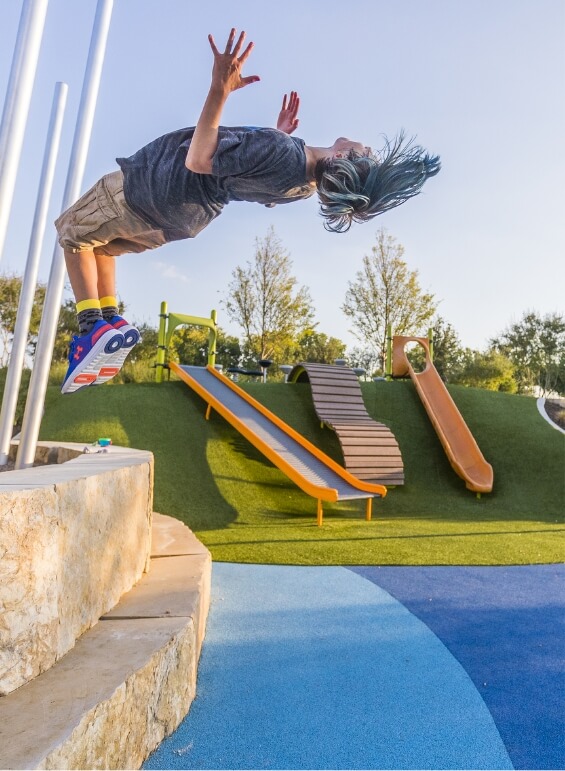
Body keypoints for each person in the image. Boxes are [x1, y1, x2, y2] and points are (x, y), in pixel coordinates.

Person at [56, 28, 440, 394]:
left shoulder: (281, 152)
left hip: (157, 184)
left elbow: (199, 158)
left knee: (74, 233)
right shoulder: (303, 186)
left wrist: (219, 89)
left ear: (343, 156)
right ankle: (111, 322)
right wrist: (281, 133)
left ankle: (90, 325)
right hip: (184, 219)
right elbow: (260, 184)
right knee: (101, 247)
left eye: (366, 151)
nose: (366, 145)